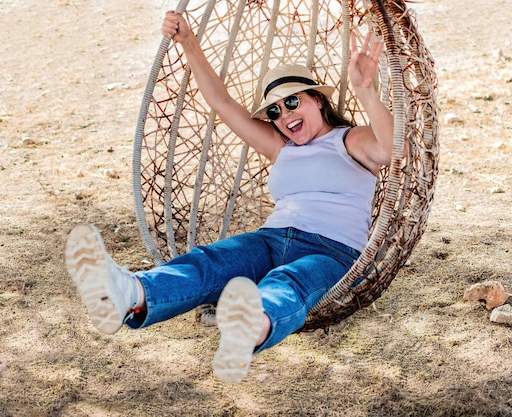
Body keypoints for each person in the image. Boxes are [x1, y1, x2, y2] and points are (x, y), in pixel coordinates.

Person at [65, 10, 394, 384]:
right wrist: (188, 42)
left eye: (292, 102)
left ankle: (248, 330)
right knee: (211, 262)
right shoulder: (278, 147)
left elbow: (394, 148)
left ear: (318, 100)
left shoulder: (350, 141)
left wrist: (365, 90)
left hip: (332, 250)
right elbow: (221, 103)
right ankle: (131, 294)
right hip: (270, 239)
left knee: (289, 283)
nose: (284, 115)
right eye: (274, 111)